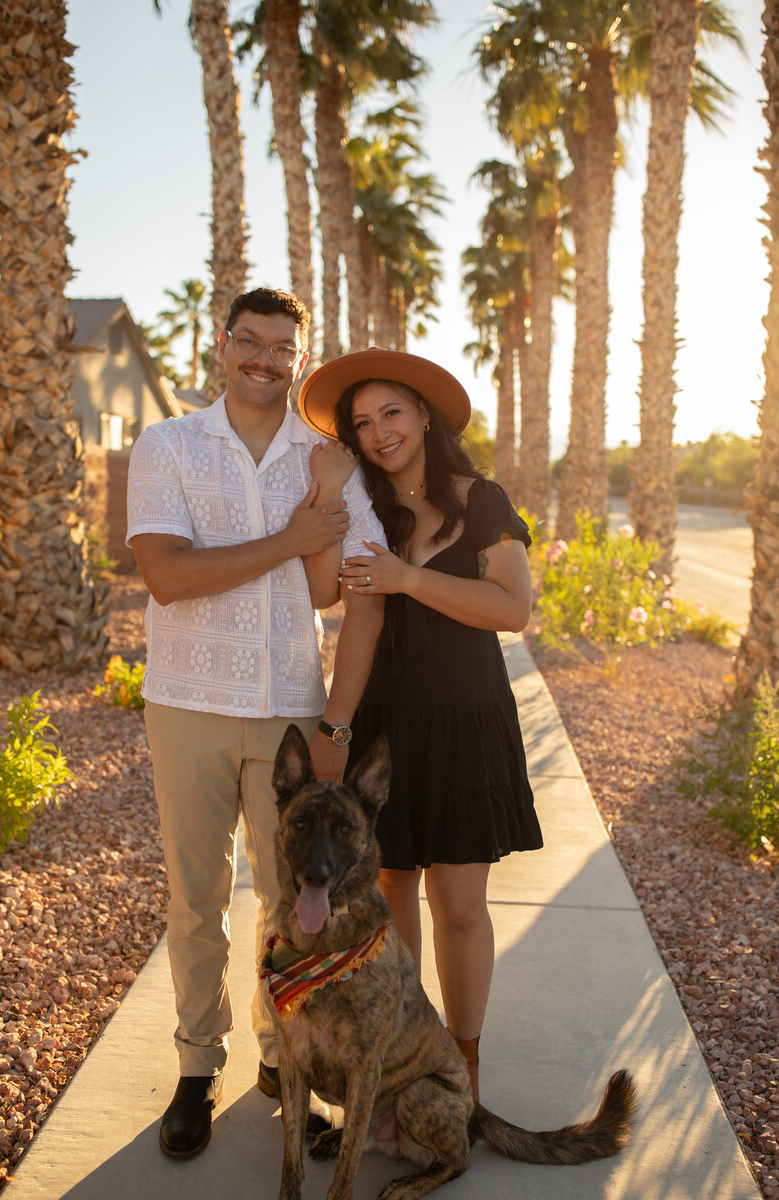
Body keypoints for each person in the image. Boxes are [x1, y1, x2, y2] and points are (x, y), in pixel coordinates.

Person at [126, 289, 385, 1158]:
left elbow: (337, 592)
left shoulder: (327, 461)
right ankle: (199, 1067)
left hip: (288, 710)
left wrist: (335, 726)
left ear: (300, 362)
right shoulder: (166, 446)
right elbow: (168, 576)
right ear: (223, 343)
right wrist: (293, 533)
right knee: (197, 901)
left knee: (294, 906)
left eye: (284, 349)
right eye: (251, 342)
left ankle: (288, 1066)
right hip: (188, 702)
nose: (265, 360)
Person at [298, 347, 543, 1101]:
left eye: (391, 413)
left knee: (461, 906)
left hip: (469, 722)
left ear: (424, 414)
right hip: (386, 730)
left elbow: (511, 608)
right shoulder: (366, 508)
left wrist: (410, 576)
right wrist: (337, 729)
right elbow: (333, 604)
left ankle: (463, 1063)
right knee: (392, 890)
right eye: (362, 424)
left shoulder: (483, 500)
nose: (378, 433)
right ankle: (408, 1050)